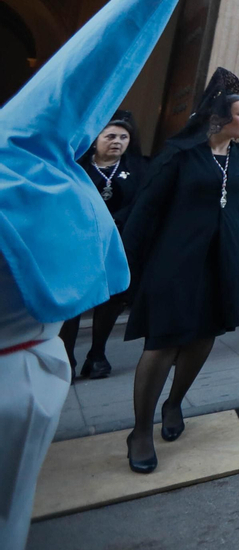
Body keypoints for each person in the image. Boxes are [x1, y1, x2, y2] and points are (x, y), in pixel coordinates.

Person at [119, 69, 239, 473]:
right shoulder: (180, 154)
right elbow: (147, 209)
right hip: (176, 260)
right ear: (219, 117)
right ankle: (139, 431)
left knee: (205, 333)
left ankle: (174, 403)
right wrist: (125, 263)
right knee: (162, 342)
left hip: (225, 259)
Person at [59, 114, 142, 379]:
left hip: (116, 244)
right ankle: (67, 359)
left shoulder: (140, 169)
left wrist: (116, 223)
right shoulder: (75, 166)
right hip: (78, 243)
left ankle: (97, 355)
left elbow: (143, 205)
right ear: (95, 141)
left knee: (112, 299)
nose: (117, 142)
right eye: (110, 136)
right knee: (75, 301)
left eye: (123, 137)